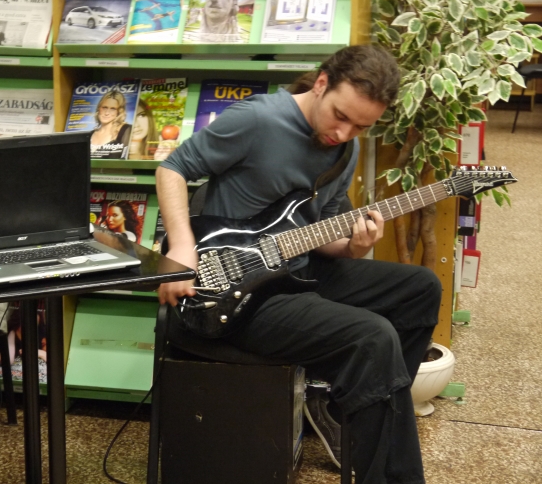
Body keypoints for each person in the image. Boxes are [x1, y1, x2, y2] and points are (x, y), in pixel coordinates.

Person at [156, 44, 442, 484]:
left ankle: (348, 407)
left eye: (360, 126)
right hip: (238, 291)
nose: (344, 133)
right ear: (322, 84)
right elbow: (173, 168)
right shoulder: (257, 120)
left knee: (420, 288)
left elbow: (321, 231)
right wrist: (181, 246)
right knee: (373, 338)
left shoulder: (344, 150)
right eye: (340, 116)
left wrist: (354, 246)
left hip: (296, 268)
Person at [90, 90, 132, 159]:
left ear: (119, 112)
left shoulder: (125, 130)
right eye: (104, 107)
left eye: (113, 109)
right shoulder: (90, 134)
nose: (107, 113)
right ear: (99, 108)